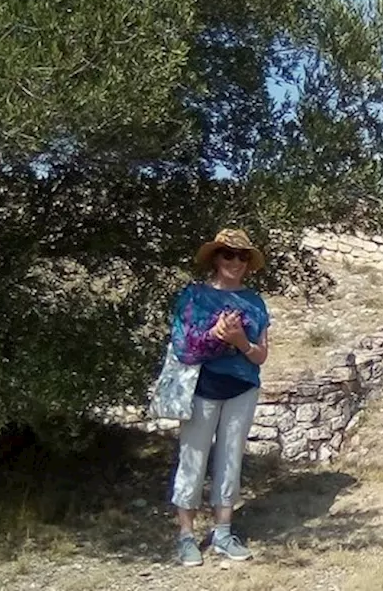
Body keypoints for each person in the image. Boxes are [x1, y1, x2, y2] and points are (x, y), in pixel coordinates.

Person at [168, 229, 271, 567]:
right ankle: (186, 536)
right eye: (229, 254)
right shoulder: (194, 296)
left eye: (242, 257)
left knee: (230, 460)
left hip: (242, 389)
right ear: (215, 258)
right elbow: (183, 345)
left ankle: (223, 532)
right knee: (193, 460)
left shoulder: (255, 303)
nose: (236, 262)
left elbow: (260, 355)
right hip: (202, 387)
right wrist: (215, 335)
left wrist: (240, 340)